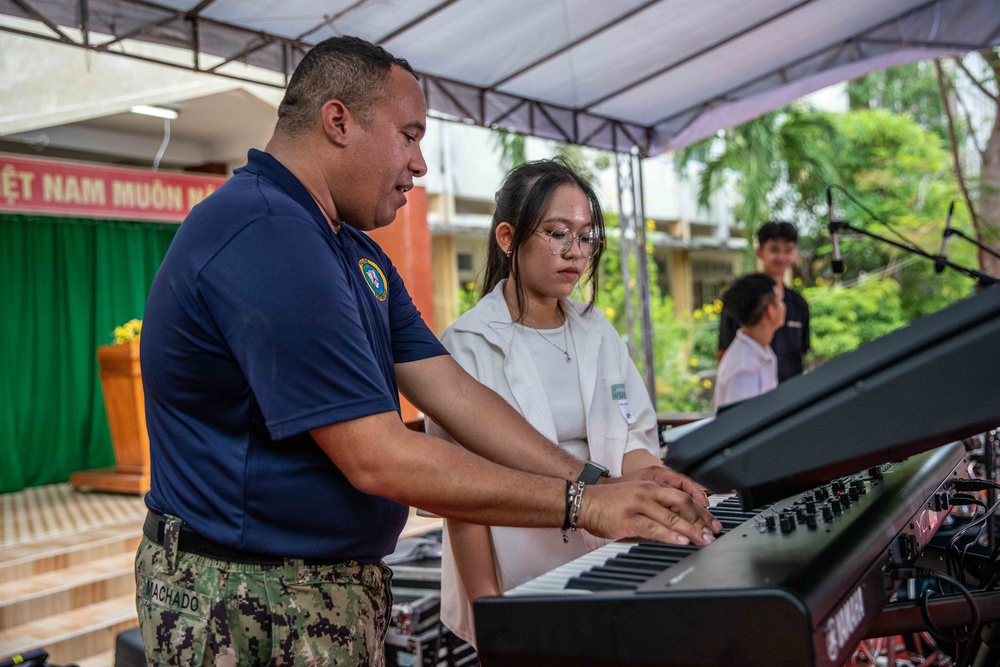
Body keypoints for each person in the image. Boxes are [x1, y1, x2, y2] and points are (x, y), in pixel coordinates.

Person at [136, 35, 718, 667]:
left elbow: (458, 395)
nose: (420, 165)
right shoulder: (267, 233)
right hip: (250, 594)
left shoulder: (352, 251)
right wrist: (584, 504)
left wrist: (594, 480)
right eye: (409, 136)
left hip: (323, 586)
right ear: (338, 121)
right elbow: (379, 458)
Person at [425, 158, 690, 649]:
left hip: (615, 559)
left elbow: (630, 436)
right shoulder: (465, 345)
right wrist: (488, 607)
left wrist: (656, 484)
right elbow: (460, 498)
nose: (575, 252)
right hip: (521, 576)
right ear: (507, 238)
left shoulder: (599, 332)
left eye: (586, 236)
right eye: (556, 233)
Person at [717, 221, 810, 382]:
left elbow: (803, 353)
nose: (781, 257)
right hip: (754, 393)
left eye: (788, 250)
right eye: (774, 250)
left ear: (795, 253)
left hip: (793, 394)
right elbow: (723, 351)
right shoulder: (743, 298)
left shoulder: (799, 304)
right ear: (759, 251)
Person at [713, 273, 786, 410]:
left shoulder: (760, 350)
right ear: (770, 311)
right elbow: (744, 425)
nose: (783, 306)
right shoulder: (743, 371)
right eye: (779, 301)